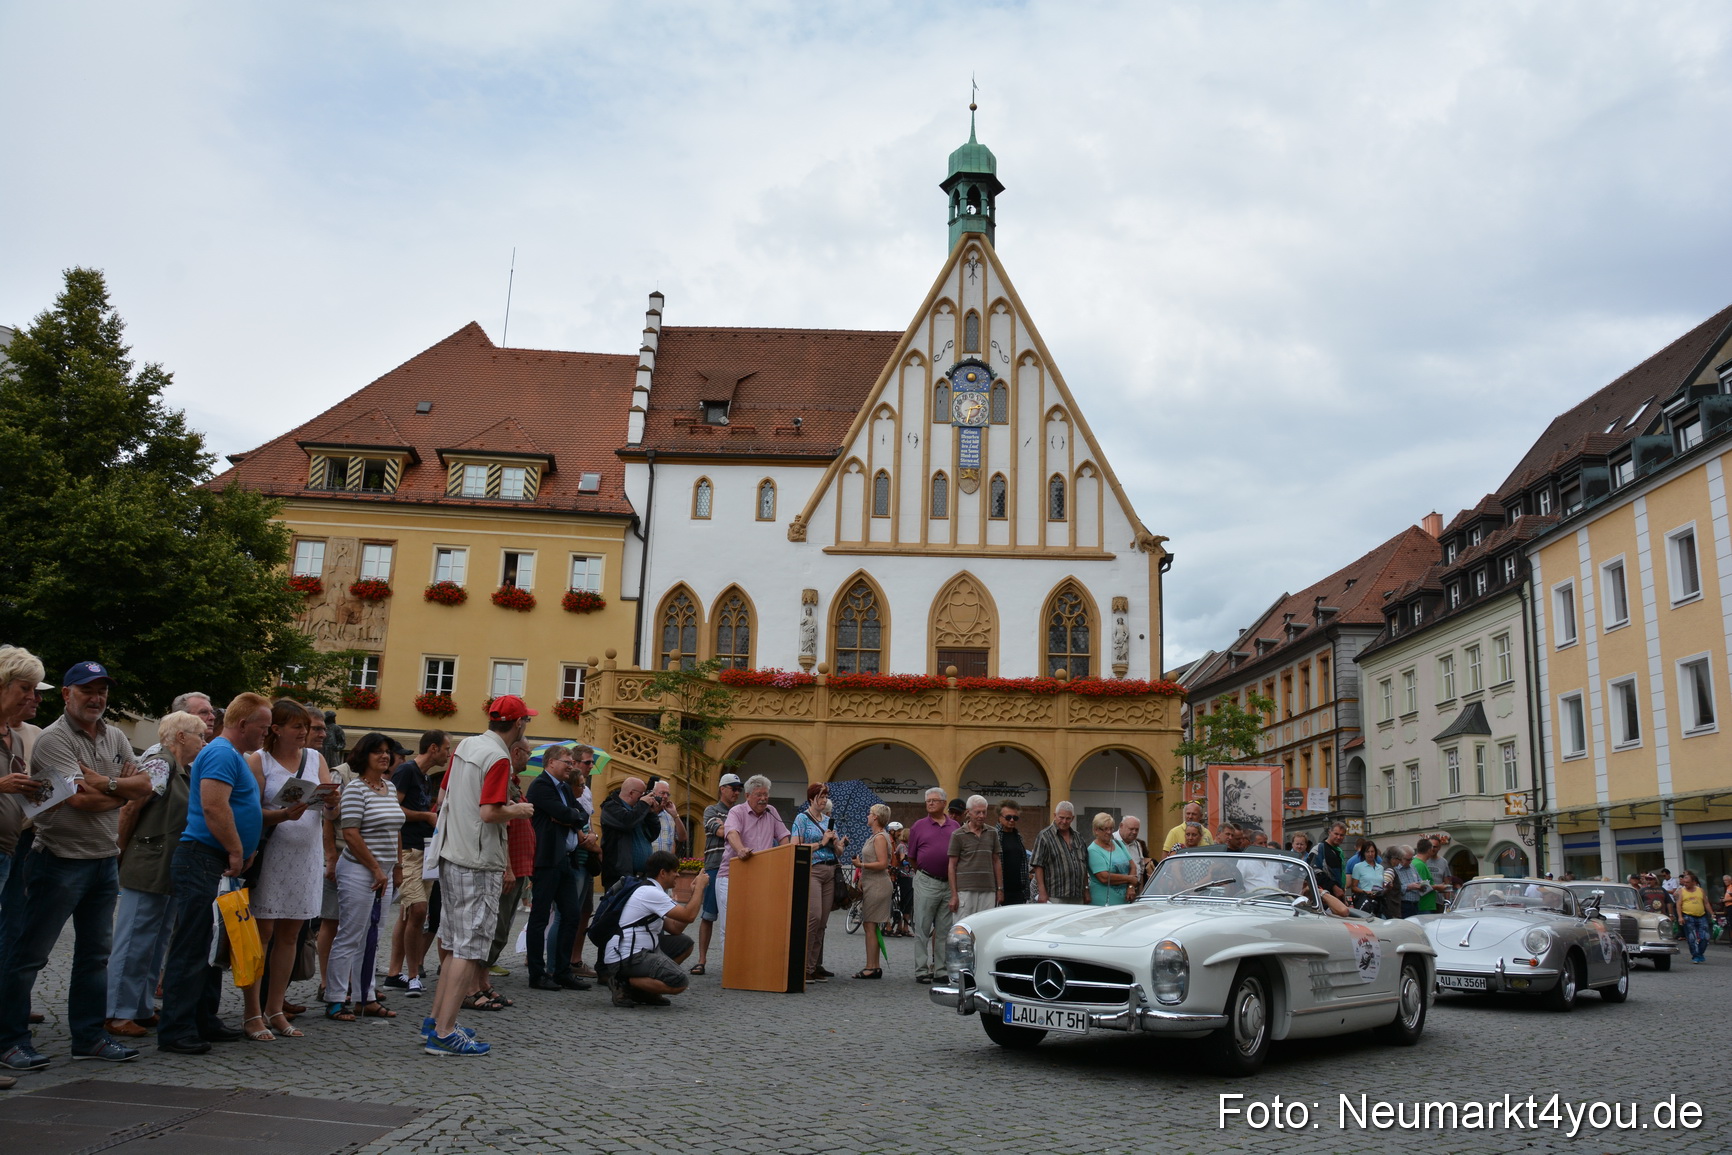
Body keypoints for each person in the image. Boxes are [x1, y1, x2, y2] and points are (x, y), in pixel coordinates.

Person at [0, 663, 153, 1071]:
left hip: (103, 860)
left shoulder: (115, 734)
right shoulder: (53, 739)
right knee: (29, 955)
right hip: (58, 860)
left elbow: (146, 786)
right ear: (67, 694)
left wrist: (107, 785)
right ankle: (11, 1040)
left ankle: (88, 1037)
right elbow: (77, 801)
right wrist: (121, 790)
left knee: (94, 956)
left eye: (102, 690)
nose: (97, 698)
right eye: (87, 690)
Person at [156, 692, 272, 1056]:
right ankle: (176, 1028)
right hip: (203, 857)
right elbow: (213, 805)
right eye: (263, 727)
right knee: (192, 945)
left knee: (210, 945)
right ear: (242, 725)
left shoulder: (230, 755)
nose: (265, 734)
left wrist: (245, 847)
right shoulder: (222, 753)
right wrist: (237, 849)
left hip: (216, 858)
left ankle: (203, 1017)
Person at [424, 696, 536, 1057]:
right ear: (518, 725)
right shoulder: (499, 757)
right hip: (476, 859)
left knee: (456, 943)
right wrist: (518, 809)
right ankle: (444, 1031)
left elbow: (448, 795)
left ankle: (438, 1021)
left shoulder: (468, 744)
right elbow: (489, 812)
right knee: (468, 949)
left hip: (452, 852)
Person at [105, 710, 202, 1040]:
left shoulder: (180, 769)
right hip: (147, 861)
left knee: (155, 939)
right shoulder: (161, 763)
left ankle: (141, 1006)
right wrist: (119, 851)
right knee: (134, 938)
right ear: (181, 737)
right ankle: (117, 1012)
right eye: (199, 735)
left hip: (164, 864)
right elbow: (131, 808)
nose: (204, 742)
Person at [241, 699, 330, 1041]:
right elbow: (248, 810)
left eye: (307, 727)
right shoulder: (258, 760)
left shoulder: (316, 759)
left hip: (305, 856)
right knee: (261, 937)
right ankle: (252, 1012)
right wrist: (281, 814)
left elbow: (326, 808)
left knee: (291, 936)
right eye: (297, 727)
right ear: (276, 729)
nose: (304, 733)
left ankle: (275, 1008)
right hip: (272, 855)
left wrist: (331, 802)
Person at [325, 732, 403, 1023]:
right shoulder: (356, 789)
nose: (384, 756)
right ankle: (335, 998)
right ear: (364, 756)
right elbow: (350, 833)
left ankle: (365, 996)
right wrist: (375, 869)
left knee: (373, 936)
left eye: (387, 751)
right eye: (377, 752)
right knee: (350, 934)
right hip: (360, 870)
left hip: (384, 871)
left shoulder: (390, 787)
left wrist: (395, 866)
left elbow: (395, 828)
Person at [384, 730, 448, 998]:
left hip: (424, 851)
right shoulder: (407, 771)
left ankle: (393, 972)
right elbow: (393, 809)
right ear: (432, 748)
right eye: (446, 748)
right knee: (418, 910)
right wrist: (425, 815)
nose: (448, 753)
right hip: (408, 850)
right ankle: (412, 974)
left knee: (409, 914)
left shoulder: (421, 776)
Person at [525, 744, 593, 991]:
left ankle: (562, 971)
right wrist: (567, 815)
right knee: (540, 916)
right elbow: (564, 813)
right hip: (545, 860)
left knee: (572, 914)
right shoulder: (541, 786)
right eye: (567, 761)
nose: (571, 766)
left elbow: (581, 814)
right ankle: (537, 973)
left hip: (565, 858)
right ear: (551, 762)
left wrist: (568, 815)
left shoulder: (564, 787)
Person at [600, 850, 706, 1007]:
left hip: (639, 950)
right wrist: (699, 889)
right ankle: (623, 982)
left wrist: (693, 894)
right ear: (663, 873)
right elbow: (689, 916)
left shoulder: (650, 890)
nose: (678, 875)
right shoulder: (650, 893)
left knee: (684, 944)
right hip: (629, 955)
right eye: (675, 871)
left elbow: (675, 928)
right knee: (679, 982)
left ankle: (645, 991)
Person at [715, 774, 790, 948]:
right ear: (747, 796)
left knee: (757, 924)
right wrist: (740, 849)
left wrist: (784, 854)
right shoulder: (737, 811)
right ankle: (732, 970)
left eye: (766, 794)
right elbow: (732, 833)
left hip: (762, 878)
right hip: (732, 876)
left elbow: (784, 836)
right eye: (759, 795)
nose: (763, 798)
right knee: (731, 925)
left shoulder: (771, 811)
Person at [487, 738, 535, 979]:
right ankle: (484, 964)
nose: (530, 757)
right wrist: (508, 868)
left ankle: (488, 962)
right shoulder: (505, 782)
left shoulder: (514, 782)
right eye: (528, 752)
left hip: (518, 865)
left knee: (505, 919)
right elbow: (503, 826)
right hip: (510, 865)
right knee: (500, 918)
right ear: (516, 752)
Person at [791, 782, 844, 982]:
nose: (824, 800)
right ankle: (802, 966)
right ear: (811, 798)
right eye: (821, 797)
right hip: (812, 870)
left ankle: (812, 967)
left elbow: (839, 851)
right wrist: (820, 843)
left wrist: (834, 843)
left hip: (830, 870)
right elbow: (795, 847)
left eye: (826, 797)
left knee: (823, 922)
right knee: (813, 917)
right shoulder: (801, 819)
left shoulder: (828, 821)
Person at [905, 787, 959, 984]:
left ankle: (941, 969)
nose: (930, 803)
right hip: (926, 880)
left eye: (934, 800)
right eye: (928, 801)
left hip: (948, 883)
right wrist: (926, 870)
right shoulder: (918, 826)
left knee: (944, 929)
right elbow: (911, 857)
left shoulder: (955, 826)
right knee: (922, 926)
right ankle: (921, 969)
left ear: (944, 803)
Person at [692, 771, 742, 975]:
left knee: (735, 916)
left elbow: (729, 831)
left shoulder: (740, 811)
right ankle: (701, 960)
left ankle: (734, 959)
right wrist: (735, 830)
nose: (737, 793)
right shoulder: (711, 810)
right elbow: (722, 832)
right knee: (709, 915)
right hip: (715, 865)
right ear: (722, 789)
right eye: (733, 789)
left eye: (739, 790)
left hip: (737, 866)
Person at [854, 803, 893, 979]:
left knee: (870, 924)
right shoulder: (876, 836)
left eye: (870, 813)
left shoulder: (879, 838)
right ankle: (874, 965)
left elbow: (883, 863)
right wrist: (862, 877)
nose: (868, 816)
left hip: (878, 885)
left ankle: (871, 966)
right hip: (872, 883)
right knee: (870, 925)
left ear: (876, 817)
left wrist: (860, 865)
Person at [947, 794, 1001, 917]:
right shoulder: (957, 835)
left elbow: (996, 861)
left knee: (986, 926)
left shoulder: (993, 833)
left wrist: (999, 889)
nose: (981, 816)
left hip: (988, 890)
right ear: (968, 812)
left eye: (984, 812)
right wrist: (954, 895)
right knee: (964, 928)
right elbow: (952, 866)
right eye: (978, 812)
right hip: (965, 890)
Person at [599, 776, 656, 889]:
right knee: (617, 906)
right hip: (619, 875)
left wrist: (650, 814)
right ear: (631, 793)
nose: (643, 797)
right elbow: (627, 822)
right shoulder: (610, 807)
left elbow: (653, 834)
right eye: (641, 794)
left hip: (641, 876)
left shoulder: (638, 809)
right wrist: (643, 805)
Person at [1030, 801, 1090, 904]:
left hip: (1077, 895)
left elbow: (1084, 866)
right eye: (1061, 817)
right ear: (1055, 815)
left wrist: (1086, 889)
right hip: (1055, 895)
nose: (1064, 821)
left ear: (1073, 818)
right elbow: (1038, 865)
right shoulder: (1044, 836)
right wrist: (1042, 891)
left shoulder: (1078, 837)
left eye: (1068, 818)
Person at [1087, 812, 1136, 905]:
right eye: (1105, 829)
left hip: (1125, 901)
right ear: (1096, 830)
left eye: (1111, 828)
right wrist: (1130, 879)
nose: (1109, 832)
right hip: (1103, 902)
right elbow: (1104, 877)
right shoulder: (1093, 850)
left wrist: (1130, 886)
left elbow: (1133, 866)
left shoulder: (1118, 844)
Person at [997, 800, 1028, 906]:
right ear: (1000, 817)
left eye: (1015, 818)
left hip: (1018, 891)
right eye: (1008, 817)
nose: (1011, 820)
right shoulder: (994, 835)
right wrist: (999, 889)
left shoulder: (1018, 836)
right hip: (1001, 891)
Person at [647, 777, 686, 858]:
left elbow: (682, 838)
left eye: (667, 794)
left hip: (665, 864)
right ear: (652, 793)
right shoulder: (644, 812)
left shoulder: (670, 815)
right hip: (647, 862)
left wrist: (675, 815)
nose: (665, 796)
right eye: (662, 793)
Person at [1677, 871, 1711, 963]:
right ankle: (1696, 956)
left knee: (1705, 937)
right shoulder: (1682, 891)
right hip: (1688, 916)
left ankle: (1700, 953)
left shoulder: (1700, 890)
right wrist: (1680, 917)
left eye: (1687, 882)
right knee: (1692, 938)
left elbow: (1706, 903)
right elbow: (1678, 904)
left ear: (1694, 882)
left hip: (1701, 916)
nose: (1685, 884)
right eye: (1684, 882)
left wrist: (1712, 913)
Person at [1311, 822, 1348, 899]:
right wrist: (1334, 887)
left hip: (1336, 895)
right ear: (1329, 832)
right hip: (1323, 896)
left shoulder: (1339, 851)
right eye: (1336, 834)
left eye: (1341, 835)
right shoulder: (1319, 848)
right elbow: (1313, 871)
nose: (1338, 837)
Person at [888, 822, 912, 935]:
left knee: (909, 902)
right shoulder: (901, 846)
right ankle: (900, 926)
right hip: (904, 875)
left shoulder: (905, 845)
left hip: (910, 875)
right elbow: (902, 860)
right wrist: (909, 860)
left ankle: (904, 927)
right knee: (904, 901)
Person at [1348, 841, 1384, 914]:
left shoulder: (1380, 867)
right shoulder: (1358, 867)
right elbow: (1353, 887)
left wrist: (1388, 887)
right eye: (1367, 852)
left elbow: (1382, 885)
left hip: (1379, 900)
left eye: (1372, 851)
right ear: (1363, 853)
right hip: (1365, 900)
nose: (1370, 854)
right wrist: (1365, 892)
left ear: (1375, 852)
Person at [1118, 815, 1153, 887]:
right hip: (1117, 889)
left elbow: (1141, 870)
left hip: (1135, 891)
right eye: (1131, 829)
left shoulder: (1137, 845)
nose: (1134, 832)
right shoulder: (1111, 841)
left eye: (1136, 830)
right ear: (1121, 826)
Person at [1392, 844, 1424, 918]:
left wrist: (1422, 885)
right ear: (1400, 857)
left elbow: (1419, 880)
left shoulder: (1412, 867)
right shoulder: (1395, 869)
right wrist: (1408, 887)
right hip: (1403, 904)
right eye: (1407, 859)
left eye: (1411, 859)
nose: (1410, 861)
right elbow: (1394, 888)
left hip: (1416, 904)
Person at [1411, 837, 1441, 914]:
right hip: (1423, 905)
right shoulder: (1419, 865)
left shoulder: (1419, 863)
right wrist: (1439, 887)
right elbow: (1422, 886)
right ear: (1429, 850)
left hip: (1425, 904)